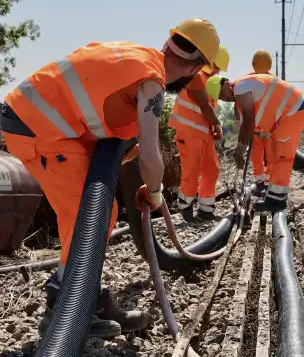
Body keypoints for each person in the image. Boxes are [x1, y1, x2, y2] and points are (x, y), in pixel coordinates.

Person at [0, 18, 220, 338]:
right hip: (40, 129)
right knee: (85, 216)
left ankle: (88, 295)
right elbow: (150, 153)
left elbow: (95, 104)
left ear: (170, 42)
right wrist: (156, 192)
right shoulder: (152, 81)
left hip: (43, 123)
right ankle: (64, 303)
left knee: (104, 211)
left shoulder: (137, 55)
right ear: (195, 68)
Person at [206, 72, 304, 211]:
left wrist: (240, 149)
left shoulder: (241, 88)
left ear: (225, 84)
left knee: (282, 155)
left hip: (293, 109)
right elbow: (246, 126)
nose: (225, 99)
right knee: (274, 153)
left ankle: (277, 200)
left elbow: (249, 120)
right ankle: (275, 194)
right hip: (285, 114)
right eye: (221, 98)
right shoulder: (240, 95)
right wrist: (241, 147)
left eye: (222, 94)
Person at [168, 46, 229, 221]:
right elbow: (204, 107)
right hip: (188, 133)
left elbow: (207, 111)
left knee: (212, 170)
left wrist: (213, 129)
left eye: (219, 68)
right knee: (191, 171)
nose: (217, 71)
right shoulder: (195, 76)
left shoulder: (210, 84)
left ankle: (206, 210)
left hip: (204, 136)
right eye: (216, 66)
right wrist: (217, 125)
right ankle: (185, 207)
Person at [234, 49, 274, 195]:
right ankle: (269, 180)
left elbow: (237, 103)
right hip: (268, 127)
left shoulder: (246, 80)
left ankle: (260, 180)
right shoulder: (274, 80)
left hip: (255, 127)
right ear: (270, 65)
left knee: (257, 156)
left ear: (253, 64)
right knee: (270, 156)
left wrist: (239, 123)